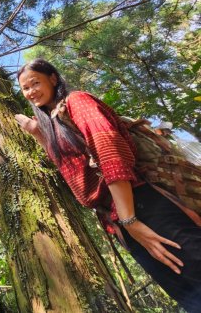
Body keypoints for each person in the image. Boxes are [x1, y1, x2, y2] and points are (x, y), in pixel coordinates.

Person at [15, 58, 201, 312]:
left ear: (53, 79)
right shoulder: (54, 123)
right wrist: (38, 133)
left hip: (142, 206)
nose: (30, 92)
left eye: (35, 83)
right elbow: (74, 170)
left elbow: (109, 152)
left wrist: (130, 220)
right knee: (190, 297)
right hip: (119, 219)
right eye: (25, 88)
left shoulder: (78, 101)